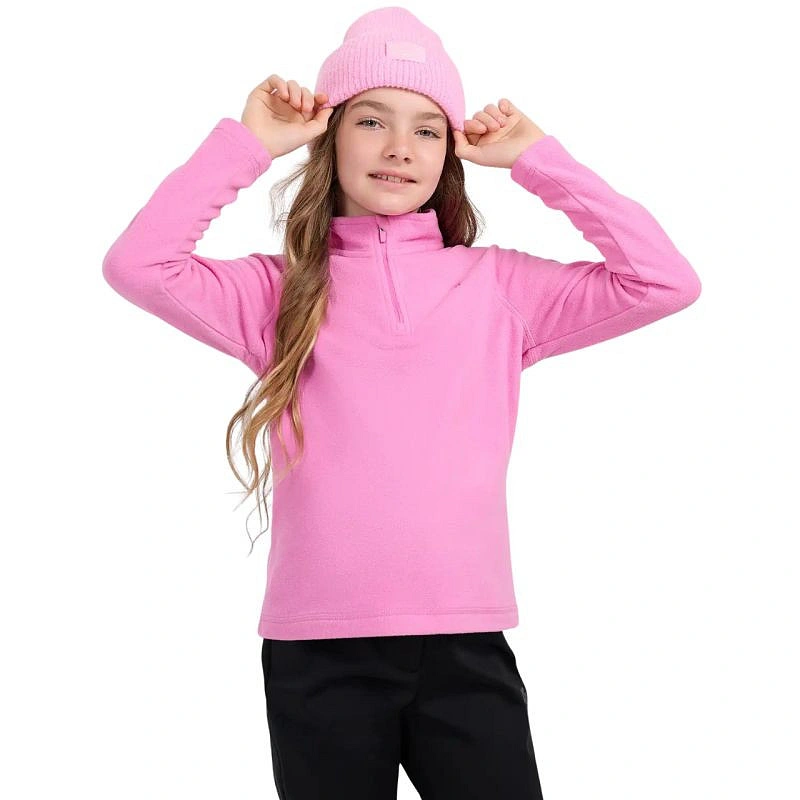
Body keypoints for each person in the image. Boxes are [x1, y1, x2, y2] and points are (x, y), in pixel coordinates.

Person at [101, 6, 702, 798]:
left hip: (464, 643)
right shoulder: (276, 293)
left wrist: (538, 161)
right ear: (329, 137)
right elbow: (138, 266)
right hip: (318, 651)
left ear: (450, 151)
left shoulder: (498, 287)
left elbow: (665, 283)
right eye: (371, 120)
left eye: (426, 129)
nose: (398, 148)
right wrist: (247, 144)